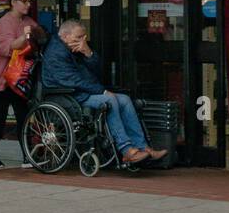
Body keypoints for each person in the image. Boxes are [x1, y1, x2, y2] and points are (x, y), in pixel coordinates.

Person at [41, 19, 167, 164]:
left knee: (124, 99)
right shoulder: (56, 53)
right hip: (68, 95)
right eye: (79, 37)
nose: (83, 41)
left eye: (84, 37)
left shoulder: (75, 48)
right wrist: (103, 91)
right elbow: (74, 81)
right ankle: (126, 150)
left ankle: (143, 147)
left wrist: (88, 53)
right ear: (65, 36)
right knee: (109, 100)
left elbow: (99, 72)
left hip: (83, 92)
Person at [0, 0, 41, 169]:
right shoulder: (3, 23)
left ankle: (27, 156)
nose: (28, 4)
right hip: (0, 77)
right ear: (13, 2)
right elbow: (8, 47)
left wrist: (36, 35)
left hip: (19, 78)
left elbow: (39, 37)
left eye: (29, 1)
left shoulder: (29, 21)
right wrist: (26, 37)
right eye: (24, 1)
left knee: (23, 116)